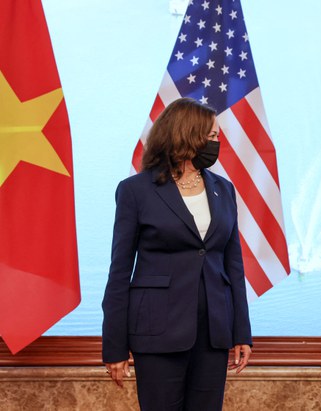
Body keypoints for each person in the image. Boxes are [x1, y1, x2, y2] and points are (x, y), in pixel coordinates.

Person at [102, 97, 252, 411]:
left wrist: (242, 332)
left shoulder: (224, 189)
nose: (216, 142)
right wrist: (114, 346)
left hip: (213, 332)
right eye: (211, 136)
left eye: (217, 136)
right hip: (157, 331)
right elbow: (119, 272)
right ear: (186, 134)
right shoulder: (135, 191)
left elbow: (233, 266)